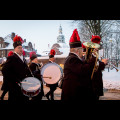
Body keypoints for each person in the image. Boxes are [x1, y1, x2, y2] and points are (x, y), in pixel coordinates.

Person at [61, 29, 102, 101]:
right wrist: (93, 57)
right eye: (81, 50)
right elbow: (83, 70)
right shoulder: (72, 59)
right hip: (72, 94)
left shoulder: (73, 58)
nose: (83, 51)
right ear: (78, 50)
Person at [1, 35, 32, 101]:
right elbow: (4, 70)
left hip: (24, 87)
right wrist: (16, 81)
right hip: (15, 89)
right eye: (18, 48)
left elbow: (25, 70)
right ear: (14, 49)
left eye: (21, 47)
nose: (21, 49)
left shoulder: (23, 58)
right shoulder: (11, 58)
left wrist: (31, 76)